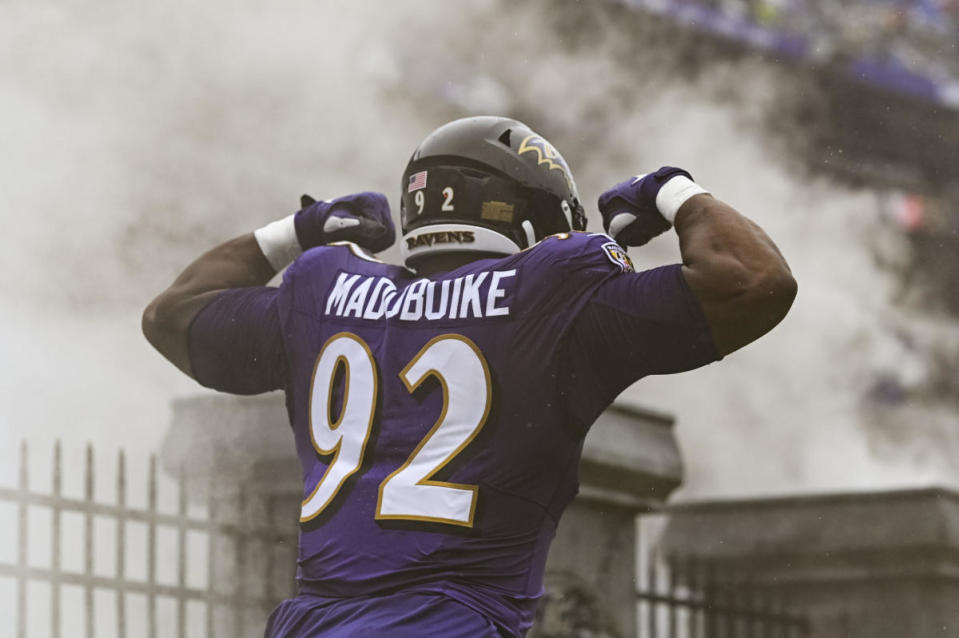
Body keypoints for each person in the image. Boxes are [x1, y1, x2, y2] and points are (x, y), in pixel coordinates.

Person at [142, 116, 796, 637]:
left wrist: (297, 230)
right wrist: (673, 191)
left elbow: (172, 317)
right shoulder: (553, 292)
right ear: (532, 217)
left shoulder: (323, 290)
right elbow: (755, 282)